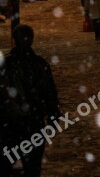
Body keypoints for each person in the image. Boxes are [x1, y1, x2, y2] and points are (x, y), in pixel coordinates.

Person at [0, 25, 60, 176]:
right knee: (32, 167)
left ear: (13, 41)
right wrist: (53, 116)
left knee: (9, 166)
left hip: (9, 125)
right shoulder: (40, 65)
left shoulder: (5, 65)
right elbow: (50, 94)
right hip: (34, 124)